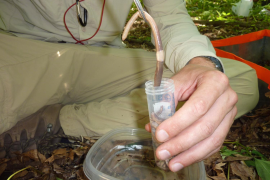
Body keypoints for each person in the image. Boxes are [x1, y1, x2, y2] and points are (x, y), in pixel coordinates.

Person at [0, 0, 258, 172]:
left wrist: (202, 64)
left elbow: (170, 18)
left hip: (101, 59)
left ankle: (57, 121)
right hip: (23, 52)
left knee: (235, 79)